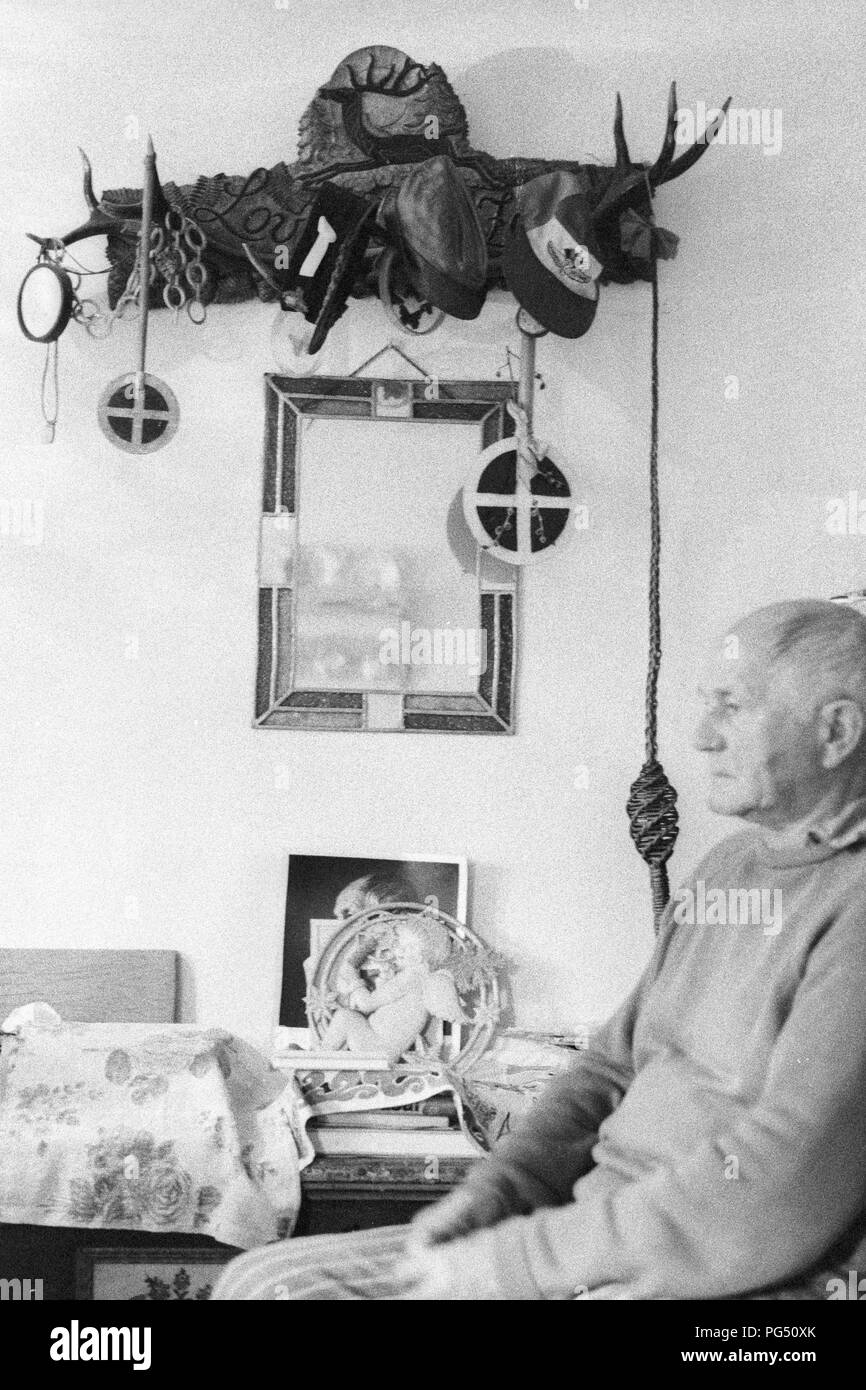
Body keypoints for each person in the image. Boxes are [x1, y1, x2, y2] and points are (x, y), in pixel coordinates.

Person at [214, 599, 866, 1300]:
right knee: (265, 1283)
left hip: (711, 1282)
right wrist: (494, 1197)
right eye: (703, 706)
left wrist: (518, 1263)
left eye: (732, 708)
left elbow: (781, 1182)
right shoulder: (728, 869)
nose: (702, 736)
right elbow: (608, 1071)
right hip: (588, 1236)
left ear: (836, 732)